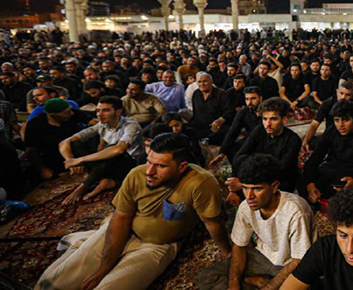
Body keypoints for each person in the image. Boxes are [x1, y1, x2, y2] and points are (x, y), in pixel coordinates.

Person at [36, 133, 231, 290]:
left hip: (157, 246)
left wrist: (228, 253)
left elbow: (211, 223)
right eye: (149, 161)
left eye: (160, 166)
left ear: (182, 167)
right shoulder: (136, 175)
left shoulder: (201, 182)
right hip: (121, 231)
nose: (149, 171)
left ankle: (81, 244)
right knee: (51, 284)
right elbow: (121, 218)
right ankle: (83, 244)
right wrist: (103, 268)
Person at [196, 154, 314, 290]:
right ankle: (253, 281)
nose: (249, 196)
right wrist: (233, 285)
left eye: (257, 189)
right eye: (245, 188)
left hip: (290, 263)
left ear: (274, 186)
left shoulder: (296, 210)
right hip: (263, 257)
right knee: (207, 277)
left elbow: (299, 260)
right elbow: (239, 245)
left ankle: (254, 283)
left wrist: (269, 287)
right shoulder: (245, 207)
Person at [58, 96, 142, 205]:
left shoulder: (131, 125)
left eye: (105, 110)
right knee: (77, 143)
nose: (99, 114)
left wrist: (80, 160)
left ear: (118, 111)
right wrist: (70, 160)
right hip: (112, 164)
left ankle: (84, 186)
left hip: (131, 164)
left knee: (112, 152)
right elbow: (65, 142)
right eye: (98, 110)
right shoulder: (102, 125)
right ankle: (105, 180)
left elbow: (119, 149)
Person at [303, 100, 353, 203]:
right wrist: (310, 186)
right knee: (303, 181)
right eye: (337, 120)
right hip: (333, 171)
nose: (341, 125)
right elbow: (312, 162)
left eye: (345, 120)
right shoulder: (331, 131)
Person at [227, 98, 302, 195]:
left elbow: (281, 170)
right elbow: (238, 158)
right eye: (265, 119)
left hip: (280, 184)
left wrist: (245, 183)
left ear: (284, 119)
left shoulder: (293, 140)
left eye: (273, 119)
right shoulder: (259, 130)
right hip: (256, 177)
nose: (268, 124)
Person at [24, 98, 89, 180]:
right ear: (53, 116)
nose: (71, 113)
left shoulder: (73, 114)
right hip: (51, 159)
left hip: (76, 155)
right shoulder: (35, 124)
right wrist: (42, 169)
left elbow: (95, 124)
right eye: (67, 112)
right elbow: (30, 150)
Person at [300, 82, 353, 153]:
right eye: (341, 93)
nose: (343, 97)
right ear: (337, 91)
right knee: (310, 141)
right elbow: (315, 124)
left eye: (348, 95)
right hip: (332, 135)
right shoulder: (327, 103)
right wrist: (306, 141)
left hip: (350, 136)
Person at [211, 86, 263, 167]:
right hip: (249, 140)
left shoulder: (267, 111)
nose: (249, 102)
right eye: (247, 99)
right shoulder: (243, 112)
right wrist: (222, 153)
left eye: (253, 98)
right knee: (231, 149)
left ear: (260, 98)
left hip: (265, 140)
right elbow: (233, 131)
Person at [189, 72, 231, 144]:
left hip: (215, 125)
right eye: (199, 82)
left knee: (225, 131)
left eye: (205, 81)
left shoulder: (221, 94)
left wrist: (220, 120)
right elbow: (196, 113)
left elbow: (229, 111)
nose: (202, 84)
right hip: (200, 124)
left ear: (211, 82)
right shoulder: (196, 93)